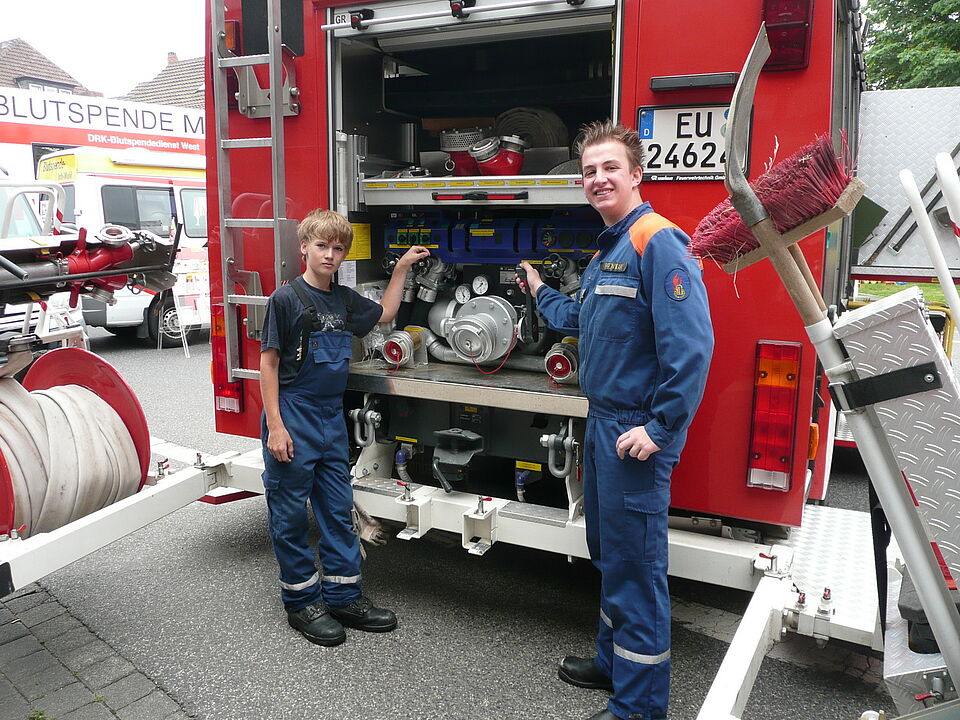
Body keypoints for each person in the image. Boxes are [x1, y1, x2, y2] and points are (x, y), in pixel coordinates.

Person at [519, 121, 713, 720]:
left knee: (636, 567)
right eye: (589, 171)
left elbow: (692, 349)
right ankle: (614, 662)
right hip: (604, 425)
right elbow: (580, 318)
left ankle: (640, 706)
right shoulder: (610, 250)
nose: (598, 179)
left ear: (636, 174)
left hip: (635, 432)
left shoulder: (658, 242)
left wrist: (659, 429)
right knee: (607, 553)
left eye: (610, 168)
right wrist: (538, 290)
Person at [260, 208, 430, 646]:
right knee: (290, 516)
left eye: (338, 249)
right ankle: (302, 603)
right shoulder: (286, 300)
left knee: (337, 511)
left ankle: (343, 596)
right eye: (322, 246)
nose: (330, 255)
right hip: (294, 415)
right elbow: (269, 364)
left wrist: (402, 267)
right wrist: (276, 427)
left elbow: (387, 313)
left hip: (330, 418)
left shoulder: (345, 300)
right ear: (304, 248)